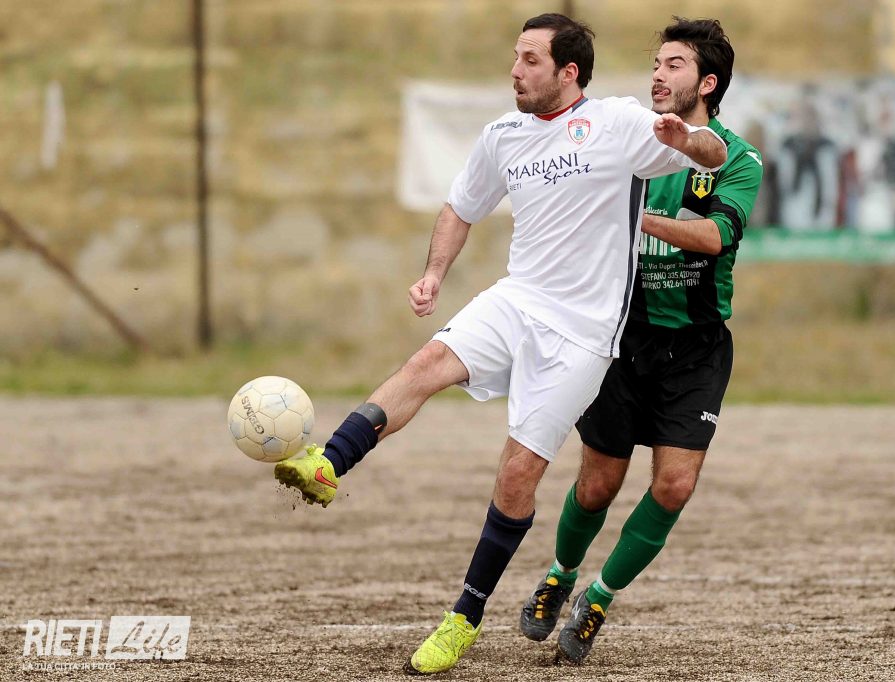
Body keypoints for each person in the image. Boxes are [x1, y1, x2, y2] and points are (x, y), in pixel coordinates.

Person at [273, 13, 727, 676]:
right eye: (515, 57)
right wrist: (434, 273)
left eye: (530, 60)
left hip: (583, 334)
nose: (515, 71)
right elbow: (460, 207)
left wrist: (686, 138)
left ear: (568, 72)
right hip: (518, 298)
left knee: (518, 474)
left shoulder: (618, 122)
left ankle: (464, 616)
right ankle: (328, 464)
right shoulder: (502, 136)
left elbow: (711, 153)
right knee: (427, 362)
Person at [519, 17, 763, 665]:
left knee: (675, 486)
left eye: (674, 65)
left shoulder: (738, 159)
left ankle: (598, 597)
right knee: (597, 485)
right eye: (656, 63)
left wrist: (635, 219)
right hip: (622, 340)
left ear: (707, 84)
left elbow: (714, 237)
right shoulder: (627, 141)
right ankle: (560, 574)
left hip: (696, 349)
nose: (658, 74)